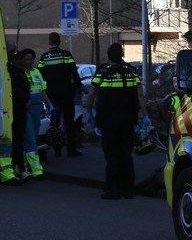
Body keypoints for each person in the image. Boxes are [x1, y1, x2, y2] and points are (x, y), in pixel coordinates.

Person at [91, 42, 144, 200]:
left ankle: (113, 189)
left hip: (108, 120)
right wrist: (145, 116)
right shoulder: (132, 71)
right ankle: (128, 189)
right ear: (122, 55)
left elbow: (91, 94)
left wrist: (88, 113)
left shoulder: (103, 72)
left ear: (108, 56)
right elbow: (140, 96)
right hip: (128, 119)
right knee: (126, 154)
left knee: (112, 154)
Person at [37, 32, 83, 156]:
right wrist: (79, 87)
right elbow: (74, 72)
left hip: (52, 93)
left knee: (55, 121)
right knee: (69, 122)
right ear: (59, 41)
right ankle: (71, 150)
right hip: (67, 92)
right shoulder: (66, 55)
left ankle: (57, 150)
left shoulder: (44, 57)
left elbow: (39, 74)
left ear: (49, 42)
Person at [19, 48, 46, 181]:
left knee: (33, 137)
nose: (29, 62)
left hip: (37, 108)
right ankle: (35, 168)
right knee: (29, 137)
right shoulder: (20, 73)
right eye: (27, 59)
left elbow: (43, 90)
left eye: (31, 59)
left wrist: (49, 105)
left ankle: (25, 166)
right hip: (26, 108)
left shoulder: (37, 72)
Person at [7, 46, 30, 178]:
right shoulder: (12, 71)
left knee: (19, 139)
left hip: (21, 107)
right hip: (17, 107)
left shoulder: (18, 70)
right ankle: (18, 168)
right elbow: (16, 89)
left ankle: (19, 167)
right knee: (16, 139)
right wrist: (25, 99)